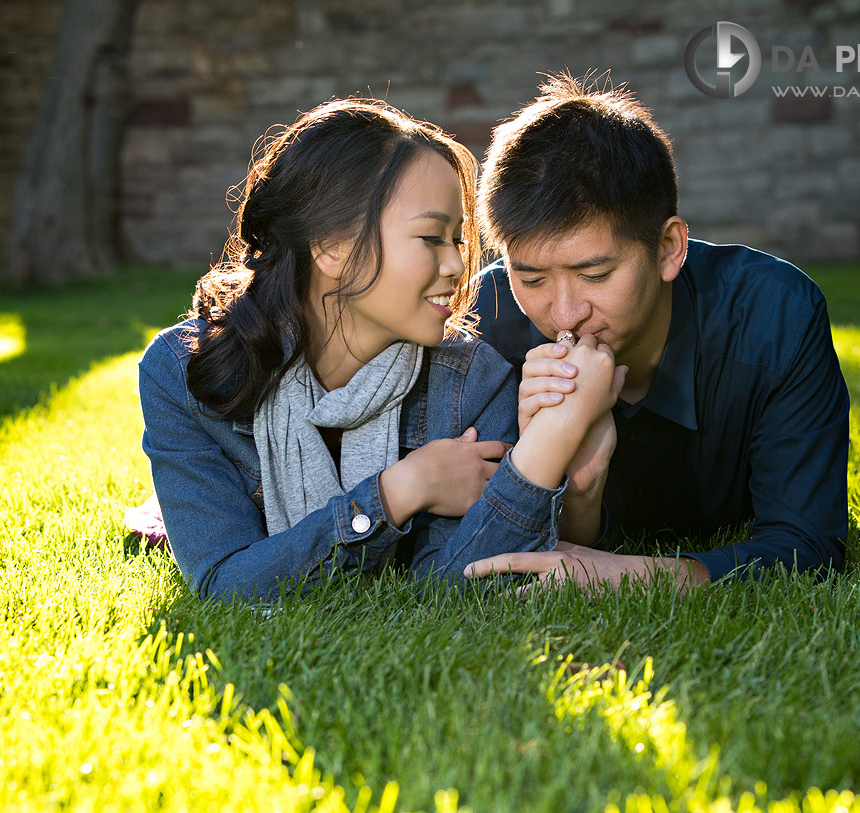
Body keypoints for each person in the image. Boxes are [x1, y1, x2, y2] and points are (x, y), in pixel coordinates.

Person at [137, 98, 621, 603]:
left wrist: (552, 438)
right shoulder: (184, 373)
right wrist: (400, 491)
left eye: (457, 238)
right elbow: (226, 588)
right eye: (432, 237)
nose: (458, 265)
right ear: (331, 247)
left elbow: (458, 588)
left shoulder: (474, 381)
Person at [463, 74, 850, 592]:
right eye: (530, 277)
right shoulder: (484, 324)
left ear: (669, 247)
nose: (563, 315)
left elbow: (809, 543)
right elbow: (458, 550)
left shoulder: (774, 317)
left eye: (595, 275)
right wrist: (569, 485)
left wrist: (637, 576)